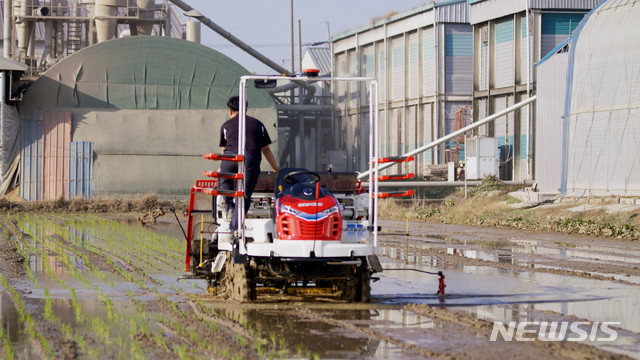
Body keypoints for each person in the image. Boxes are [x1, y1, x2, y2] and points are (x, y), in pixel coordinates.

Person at [219, 96, 279, 240]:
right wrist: (277, 170)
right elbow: (266, 150)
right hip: (250, 158)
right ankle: (233, 230)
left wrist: (222, 171)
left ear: (230, 110)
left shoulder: (225, 126)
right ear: (246, 109)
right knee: (244, 194)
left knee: (224, 179)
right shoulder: (259, 125)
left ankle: (228, 206)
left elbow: (223, 151)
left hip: (230, 157)